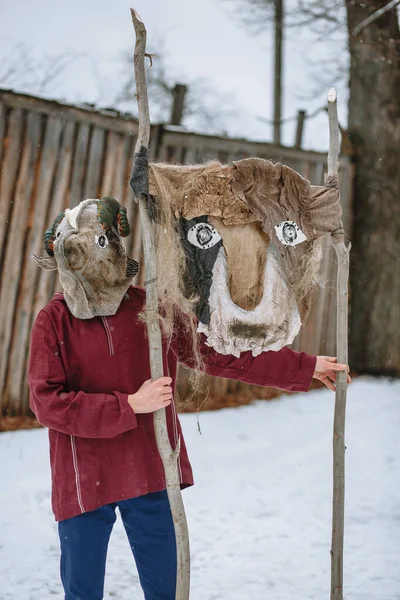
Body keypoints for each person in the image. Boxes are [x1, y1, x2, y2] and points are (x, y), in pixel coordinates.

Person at [28, 198, 350, 600]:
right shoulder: (54, 321)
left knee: (169, 591)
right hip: (82, 480)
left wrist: (303, 367)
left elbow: (218, 351)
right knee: (82, 593)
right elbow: (47, 402)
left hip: (147, 471)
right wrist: (128, 405)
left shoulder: (149, 309)